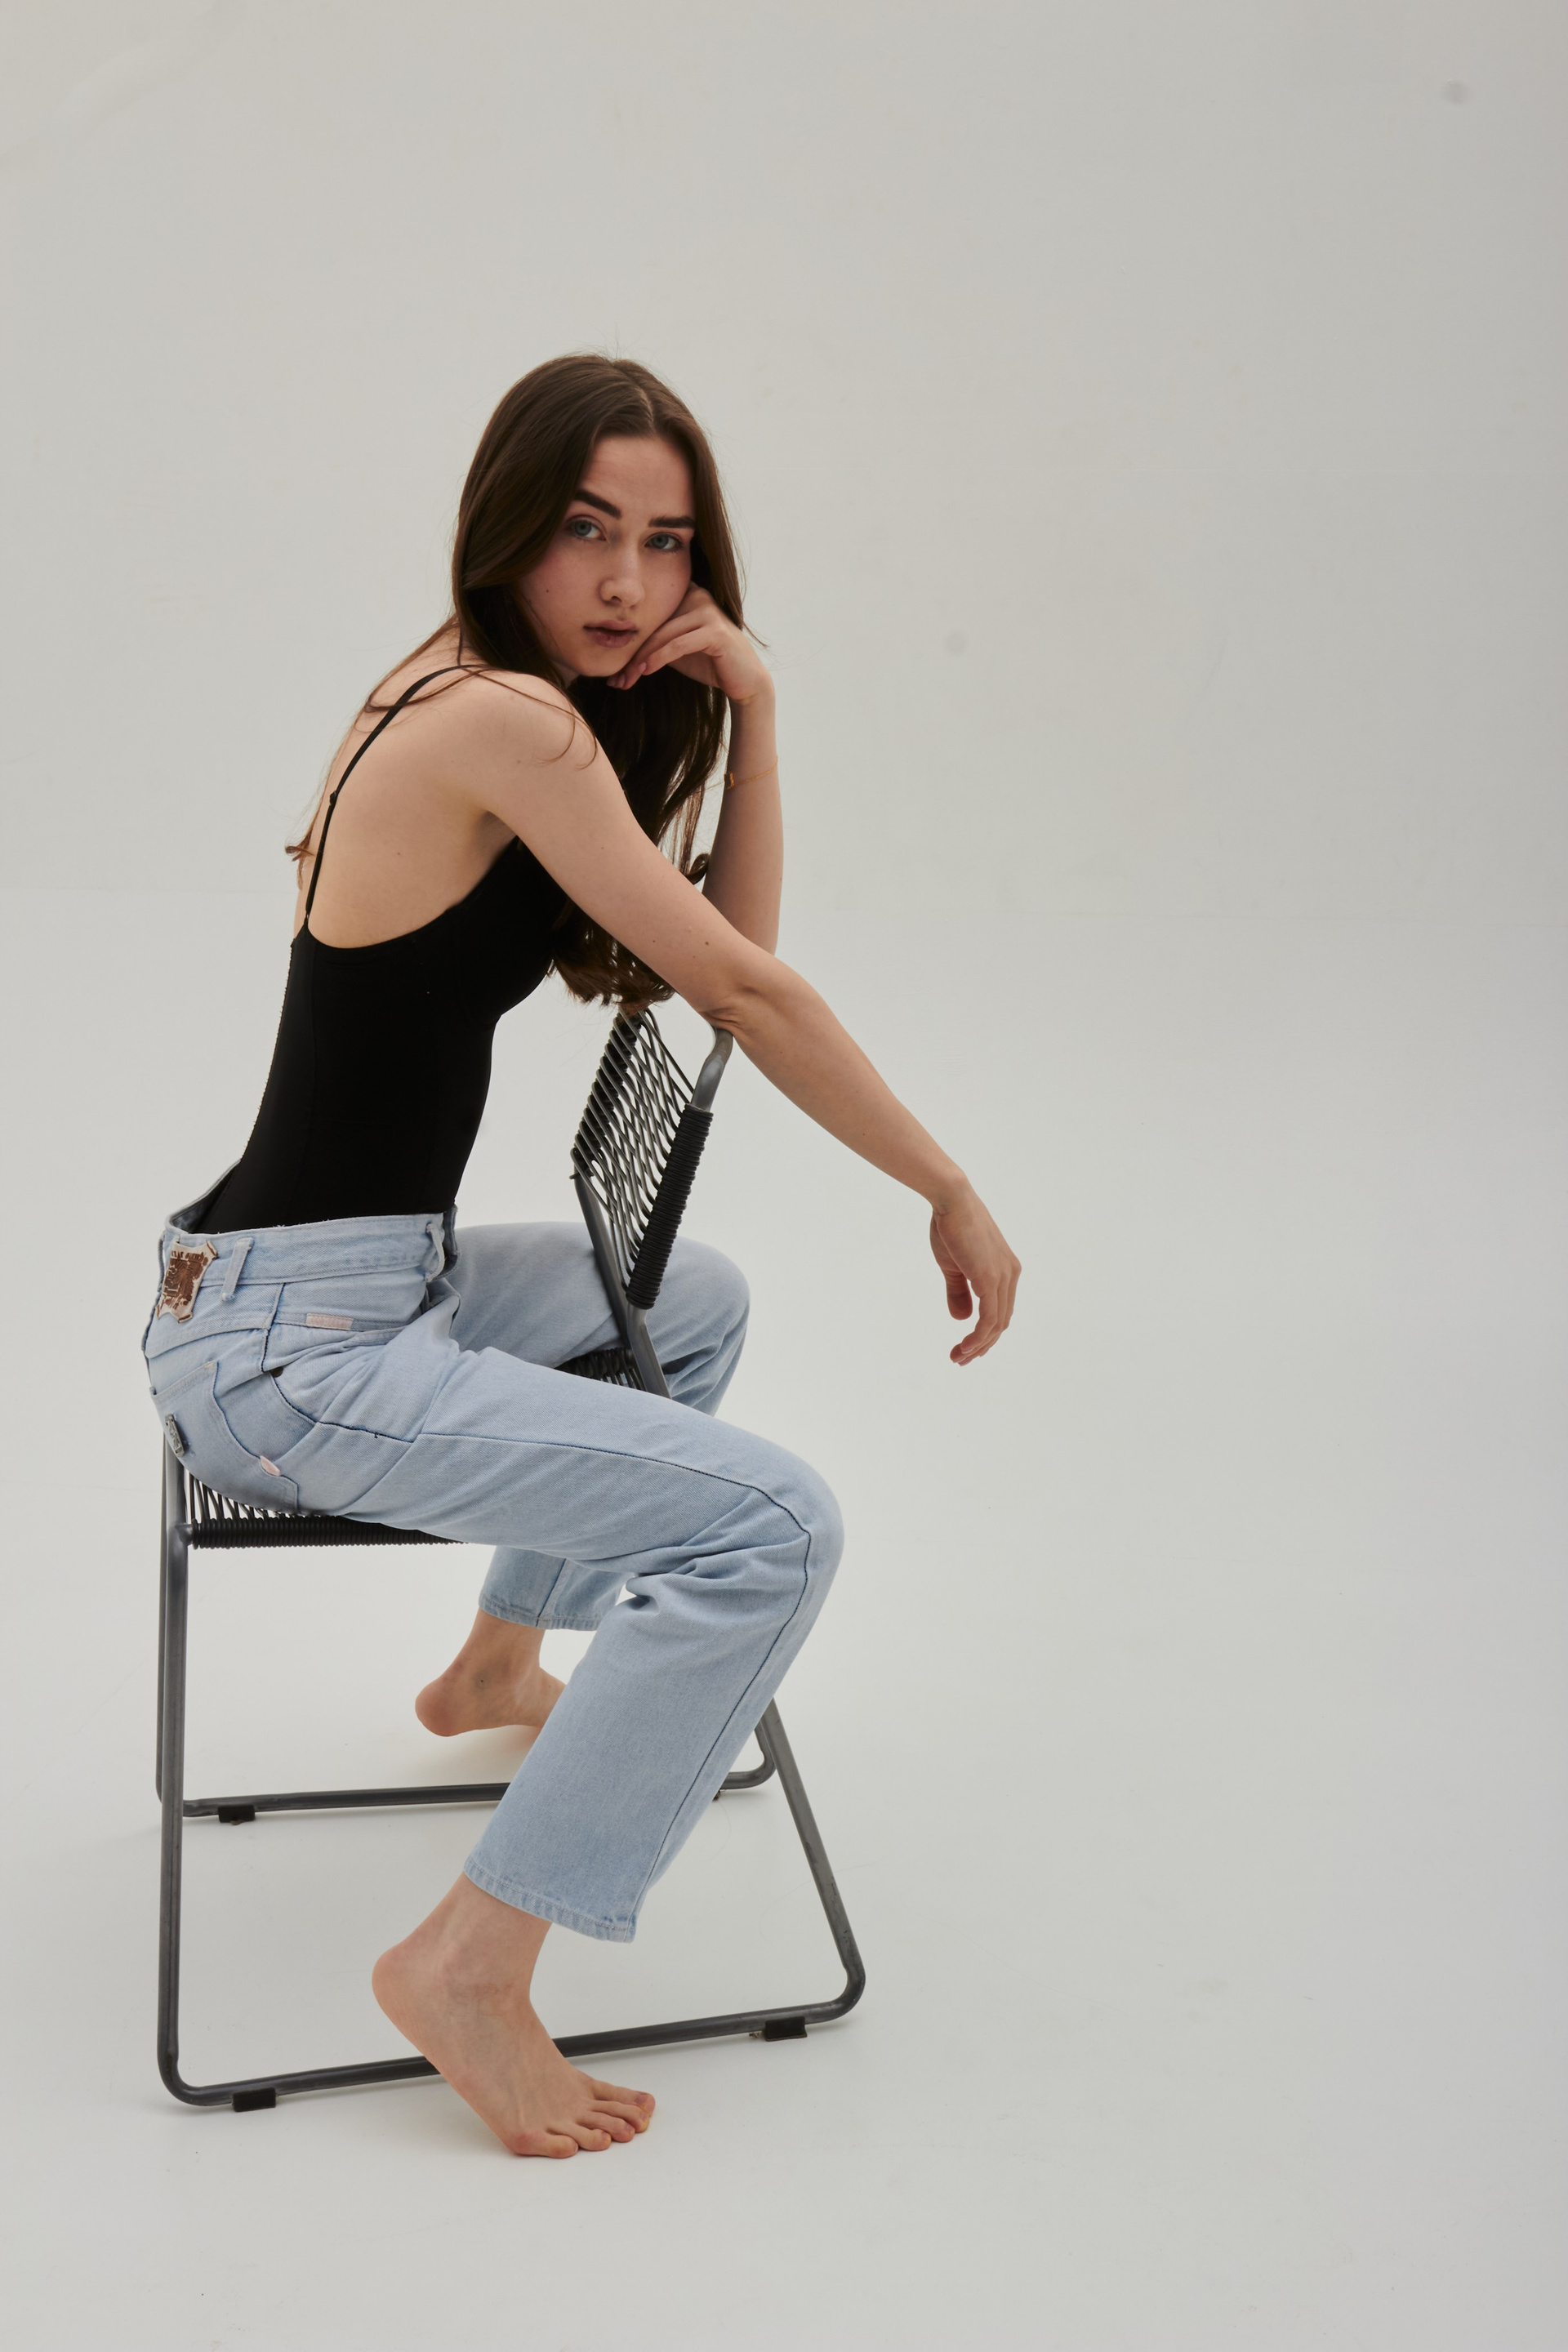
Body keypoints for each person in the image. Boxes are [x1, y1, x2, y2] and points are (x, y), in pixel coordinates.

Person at [142, 354, 1020, 2158]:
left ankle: (492, 1670)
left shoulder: (487, 689)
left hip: (321, 1283)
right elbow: (747, 988)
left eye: (667, 542)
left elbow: (717, 953)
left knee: (691, 1307)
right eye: (585, 532)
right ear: (510, 529)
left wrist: (752, 712)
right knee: (775, 1531)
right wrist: (945, 1184)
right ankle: (472, 1966)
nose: (626, 583)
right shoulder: (511, 727)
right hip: (295, 1353)